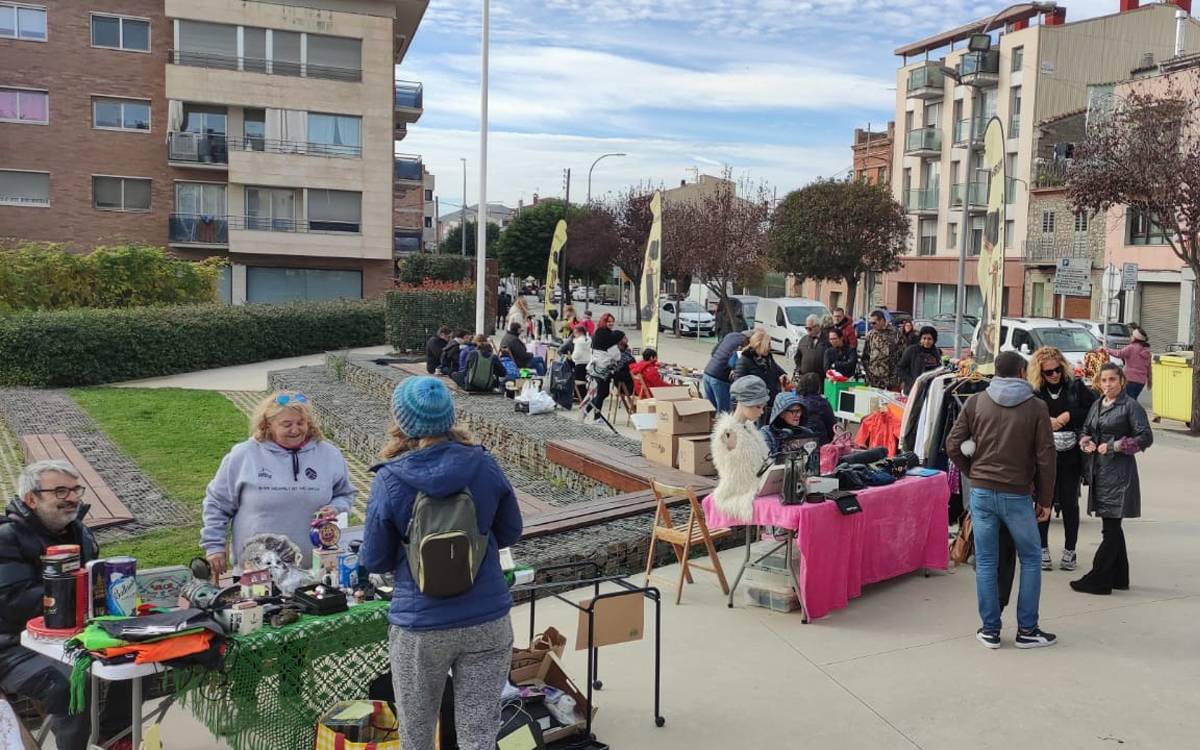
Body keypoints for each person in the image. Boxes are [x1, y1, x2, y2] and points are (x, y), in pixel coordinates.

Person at [361, 377, 522, 750]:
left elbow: (376, 559)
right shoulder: (484, 464)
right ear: (451, 417)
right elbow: (511, 531)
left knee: (417, 734)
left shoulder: (390, 479)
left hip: (421, 624)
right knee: (479, 733)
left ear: (401, 423)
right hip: (487, 618)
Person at [0, 461, 131, 750]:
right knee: (73, 684)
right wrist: (79, 593)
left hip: (73, 637)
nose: (72, 498)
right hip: (12, 646)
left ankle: (116, 738)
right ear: (31, 498)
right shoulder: (6, 537)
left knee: (135, 660)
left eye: (75, 490)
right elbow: (12, 603)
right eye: (60, 491)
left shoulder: (80, 531)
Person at [946, 351, 1058, 650]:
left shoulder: (976, 401)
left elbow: (953, 445)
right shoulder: (1036, 407)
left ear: (995, 372)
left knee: (985, 561)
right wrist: (1046, 499)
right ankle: (1027, 630)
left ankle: (990, 630)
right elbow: (1046, 458)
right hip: (1017, 492)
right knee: (1032, 558)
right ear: (1023, 372)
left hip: (982, 492)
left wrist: (974, 472)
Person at [202, 391, 356, 572]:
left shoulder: (329, 454)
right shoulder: (243, 455)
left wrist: (336, 507)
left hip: (316, 568)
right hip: (257, 572)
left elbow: (345, 493)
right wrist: (214, 546)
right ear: (268, 425)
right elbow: (217, 504)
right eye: (287, 424)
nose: (296, 430)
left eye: (301, 423)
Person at [1072, 362, 1153, 595]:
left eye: (1112, 380)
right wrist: (1085, 441)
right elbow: (1086, 428)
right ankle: (1120, 576)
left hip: (1119, 474)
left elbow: (1145, 436)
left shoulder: (1130, 406)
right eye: (1104, 380)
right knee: (1112, 524)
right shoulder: (1097, 404)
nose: (1108, 384)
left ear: (1122, 381)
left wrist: (1116, 445)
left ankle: (1098, 578)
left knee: (1111, 526)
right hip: (1099, 471)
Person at [1029, 346, 1095, 572]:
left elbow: (1093, 409)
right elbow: (1026, 416)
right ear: (1041, 372)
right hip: (1044, 455)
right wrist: (1045, 419)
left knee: (1069, 503)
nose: (1055, 374)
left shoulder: (1075, 387)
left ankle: (1070, 550)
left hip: (1071, 455)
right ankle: (1042, 548)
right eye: (1049, 372)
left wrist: (1069, 415)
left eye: (1057, 369)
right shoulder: (1035, 392)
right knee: (1043, 502)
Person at [710, 376, 772, 521]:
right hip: (740, 492)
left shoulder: (748, 430)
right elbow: (735, 472)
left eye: (762, 407)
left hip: (757, 487)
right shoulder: (729, 432)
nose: (761, 412)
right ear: (744, 403)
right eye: (758, 406)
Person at [733, 329, 786, 414]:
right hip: (755, 406)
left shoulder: (768, 358)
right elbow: (738, 385)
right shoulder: (745, 360)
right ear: (759, 344)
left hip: (770, 403)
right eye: (768, 344)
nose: (770, 347)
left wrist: (784, 375)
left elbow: (777, 370)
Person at [759, 392, 818, 456]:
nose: (798, 415)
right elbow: (767, 460)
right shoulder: (767, 433)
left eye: (799, 410)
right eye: (793, 411)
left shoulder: (807, 432)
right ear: (781, 413)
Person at [703, 331, 748, 413]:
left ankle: (707, 425)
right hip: (720, 378)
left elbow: (713, 352)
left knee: (709, 410)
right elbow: (735, 363)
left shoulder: (730, 335)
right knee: (724, 412)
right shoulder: (745, 343)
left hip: (707, 373)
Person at [861, 310, 903, 391]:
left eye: (874, 323)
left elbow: (903, 355)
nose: (872, 325)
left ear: (882, 321)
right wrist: (869, 374)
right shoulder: (870, 335)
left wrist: (899, 376)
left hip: (892, 378)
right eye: (870, 323)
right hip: (874, 379)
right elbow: (865, 356)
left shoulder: (896, 333)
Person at [895, 325, 942, 394]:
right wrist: (912, 382)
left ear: (934, 340)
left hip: (930, 391)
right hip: (913, 390)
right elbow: (899, 369)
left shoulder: (936, 352)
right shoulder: (912, 350)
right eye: (924, 338)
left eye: (929, 339)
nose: (926, 341)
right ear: (920, 339)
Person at [1107, 328, 1152, 400]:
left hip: (1130, 379)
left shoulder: (1131, 348)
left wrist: (1107, 350)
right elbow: (1149, 368)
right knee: (1133, 399)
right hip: (1141, 382)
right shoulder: (1147, 351)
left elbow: (1119, 353)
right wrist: (1150, 380)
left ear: (1136, 338)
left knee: (1128, 401)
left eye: (1132, 335)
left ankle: (1131, 411)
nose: (1131, 337)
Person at [794, 372, 836, 446]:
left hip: (798, 444)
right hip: (820, 444)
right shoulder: (823, 403)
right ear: (818, 387)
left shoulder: (795, 402)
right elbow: (832, 427)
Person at [793, 314, 828, 383]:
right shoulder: (803, 340)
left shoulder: (827, 340)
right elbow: (797, 357)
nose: (808, 331)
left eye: (810, 328)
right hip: (805, 379)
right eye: (806, 328)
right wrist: (800, 369)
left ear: (818, 326)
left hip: (821, 379)